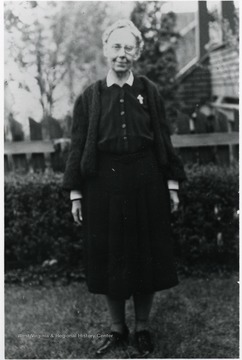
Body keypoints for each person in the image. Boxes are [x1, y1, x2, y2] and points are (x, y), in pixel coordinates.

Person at [63, 19, 186, 357]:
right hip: (103, 185)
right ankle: (118, 330)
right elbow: (77, 148)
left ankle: (143, 327)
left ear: (137, 52)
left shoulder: (149, 91)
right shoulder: (90, 97)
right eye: (116, 47)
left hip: (146, 182)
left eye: (128, 47)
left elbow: (163, 140)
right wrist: (76, 193)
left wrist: (171, 186)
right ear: (106, 50)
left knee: (145, 256)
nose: (122, 54)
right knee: (110, 257)